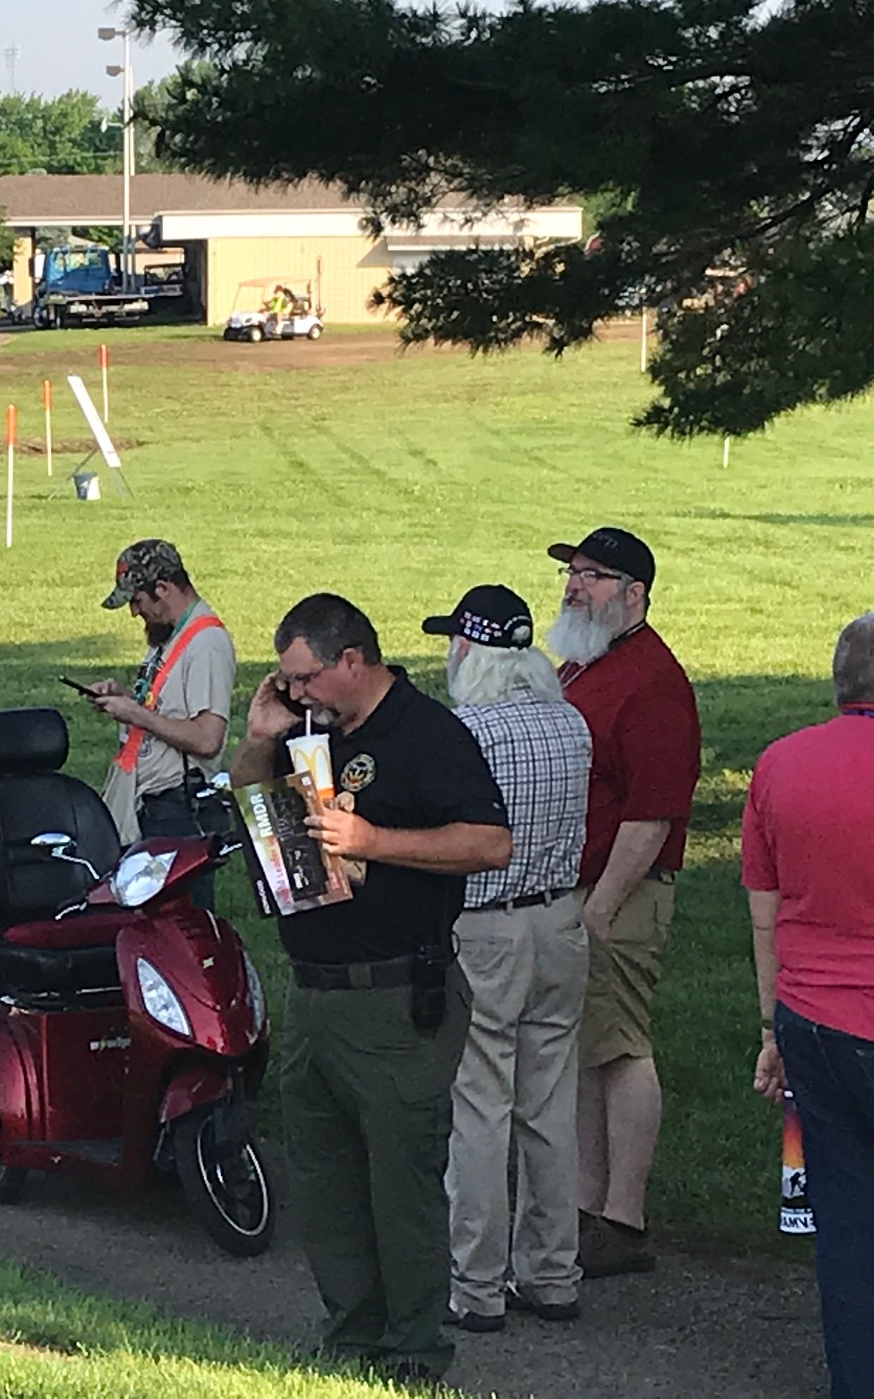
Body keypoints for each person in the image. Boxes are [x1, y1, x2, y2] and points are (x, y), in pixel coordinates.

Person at [229, 593, 510, 1383]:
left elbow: (490, 842)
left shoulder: (426, 734)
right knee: (324, 1177)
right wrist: (260, 740)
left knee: (401, 1181)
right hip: (314, 988)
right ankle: (351, 1332)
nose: (296, 692)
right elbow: (253, 811)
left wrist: (373, 841)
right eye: (285, 682)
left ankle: (415, 1347)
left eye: (305, 677)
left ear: (353, 661)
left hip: (393, 993)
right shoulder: (307, 732)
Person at [426, 585, 594, 1329]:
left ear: (466, 650)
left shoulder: (467, 732)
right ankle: (554, 1275)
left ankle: (478, 1286)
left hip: (488, 926)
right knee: (551, 1105)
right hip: (562, 919)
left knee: (481, 1108)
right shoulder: (572, 722)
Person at [544, 526, 700, 1277]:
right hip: (584, 885)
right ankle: (585, 1204)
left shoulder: (653, 682)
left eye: (593, 576)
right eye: (573, 573)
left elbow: (655, 811)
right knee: (587, 1049)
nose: (575, 586)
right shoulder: (584, 664)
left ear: (634, 594)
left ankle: (623, 1217)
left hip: (621, 891)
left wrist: (603, 904)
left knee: (623, 1047)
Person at [744, 612, 874, 1399]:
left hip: (815, 1020)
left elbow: (765, 909)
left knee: (848, 1231)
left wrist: (771, 1030)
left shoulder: (780, 765)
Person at [85, 540, 237, 904]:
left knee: (182, 926)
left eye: (137, 600)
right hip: (154, 808)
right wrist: (124, 699)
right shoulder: (169, 636)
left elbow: (207, 738)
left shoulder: (207, 643)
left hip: (180, 812)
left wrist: (136, 714)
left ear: (164, 589)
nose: (134, 612)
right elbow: (166, 712)